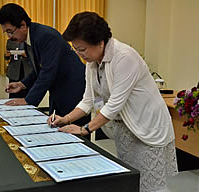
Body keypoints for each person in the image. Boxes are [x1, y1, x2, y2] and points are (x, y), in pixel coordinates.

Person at [50, 12, 177, 192]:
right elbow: (88, 100)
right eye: (75, 49)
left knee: (150, 186)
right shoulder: (92, 62)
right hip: (125, 129)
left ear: (100, 42)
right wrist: (66, 119)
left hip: (146, 125)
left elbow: (114, 104)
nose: (79, 54)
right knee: (131, 181)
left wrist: (84, 129)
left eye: (82, 49)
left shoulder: (124, 57)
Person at [0, 3, 89, 125]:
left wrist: (28, 100)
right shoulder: (29, 37)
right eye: (6, 33)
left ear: (23, 25)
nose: (9, 37)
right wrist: (23, 84)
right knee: (57, 130)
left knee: (74, 136)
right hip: (58, 90)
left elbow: (47, 72)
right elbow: (39, 69)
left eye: (10, 31)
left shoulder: (45, 36)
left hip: (72, 91)